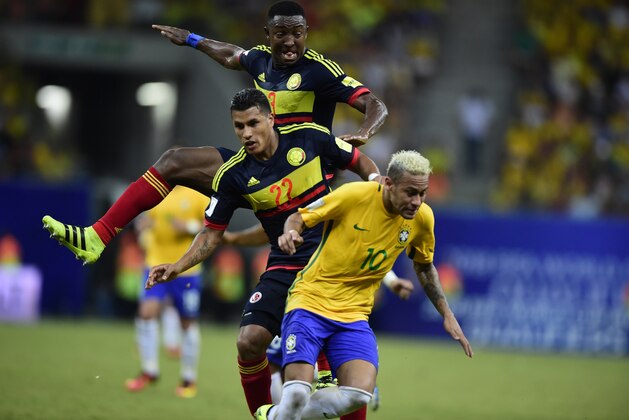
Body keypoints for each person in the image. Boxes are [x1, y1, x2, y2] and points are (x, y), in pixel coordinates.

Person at [42, 0, 387, 265]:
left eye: (297, 33)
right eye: (281, 33)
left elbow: (375, 104)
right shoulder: (261, 60)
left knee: (302, 291)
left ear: (306, 34)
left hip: (300, 179)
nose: (290, 42)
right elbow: (231, 55)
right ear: (268, 34)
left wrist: (365, 131)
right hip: (257, 168)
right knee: (173, 161)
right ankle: (97, 237)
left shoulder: (320, 71)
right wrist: (191, 40)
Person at [144, 88, 380, 417]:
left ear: (271, 118)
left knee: (344, 375)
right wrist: (177, 265)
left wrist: (375, 181)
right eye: (239, 127)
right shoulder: (233, 175)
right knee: (248, 341)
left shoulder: (311, 137)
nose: (247, 133)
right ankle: (263, 414)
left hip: (328, 266)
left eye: (253, 123)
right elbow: (212, 234)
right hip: (283, 266)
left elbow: (358, 160)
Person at [255, 150, 473, 419]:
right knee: (298, 393)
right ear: (388, 183)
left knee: (358, 395)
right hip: (310, 302)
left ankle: (277, 416)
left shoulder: (422, 218)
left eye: (423, 193)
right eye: (410, 193)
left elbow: (424, 267)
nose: (417, 201)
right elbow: (299, 217)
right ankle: (285, 411)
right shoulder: (354, 195)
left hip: (354, 316)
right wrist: (290, 232)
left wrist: (447, 314)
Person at [125, 184, 208, 398]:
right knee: (146, 314)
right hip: (155, 264)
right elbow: (149, 220)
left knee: (187, 323)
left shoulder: (197, 196)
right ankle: (149, 371)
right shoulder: (157, 193)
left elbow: (210, 227)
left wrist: (188, 227)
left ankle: (189, 378)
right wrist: (144, 226)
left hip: (186, 269)